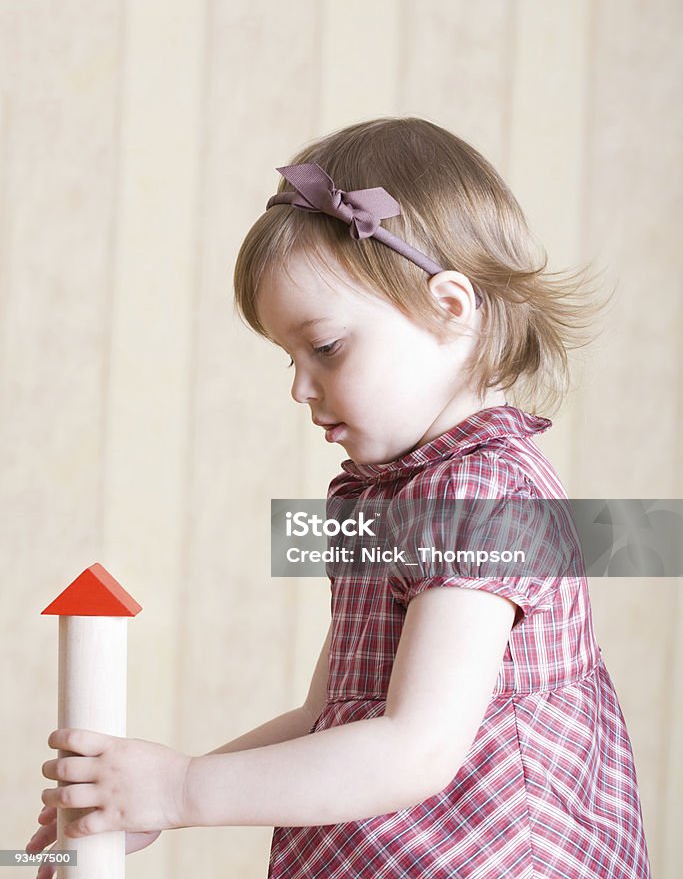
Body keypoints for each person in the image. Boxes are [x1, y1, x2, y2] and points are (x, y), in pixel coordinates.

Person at [28, 116, 651, 878]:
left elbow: (414, 748)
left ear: (450, 308)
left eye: (324, 347)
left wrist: (183, 790)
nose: (299, 387)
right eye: (288, 357)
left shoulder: (482, 492)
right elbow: (326, 715)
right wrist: (151, 797)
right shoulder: (389, 496)